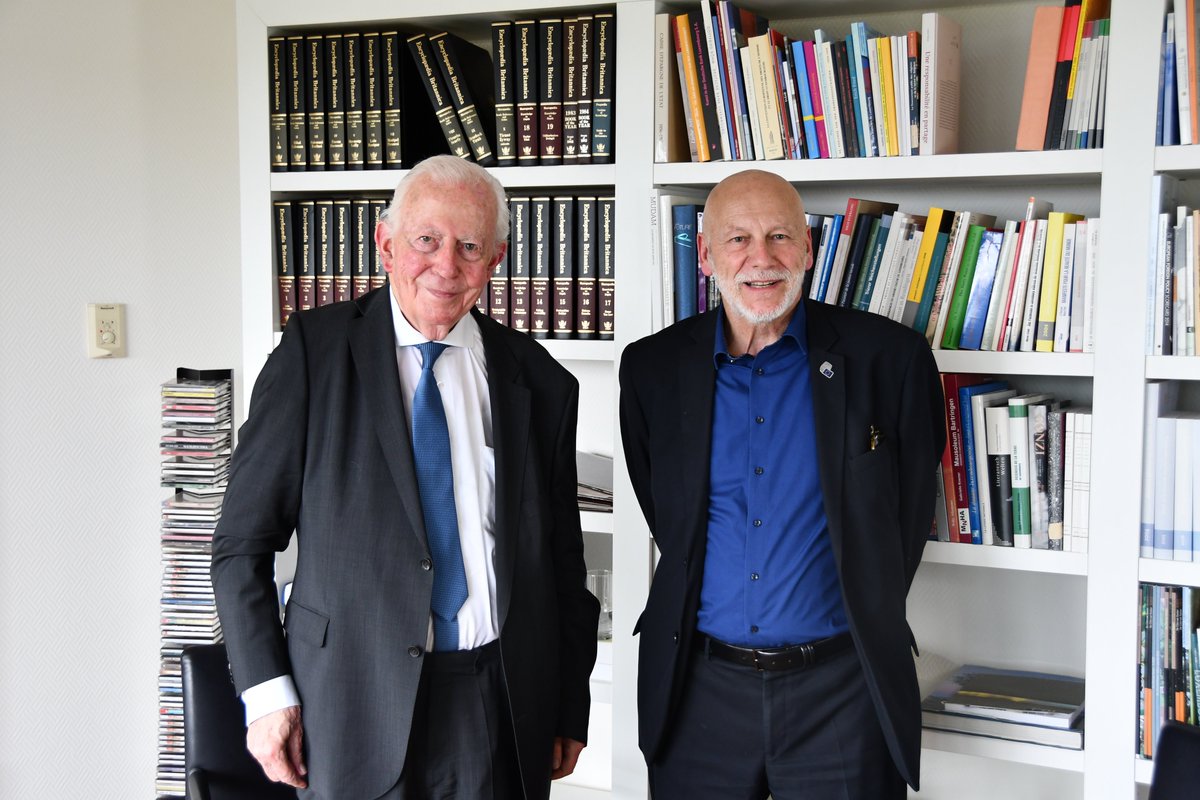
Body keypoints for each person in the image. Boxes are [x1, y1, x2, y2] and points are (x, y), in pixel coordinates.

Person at [212, 154, 599, 800]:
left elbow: (563, 564)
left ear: (496, 258)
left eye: (469, 246)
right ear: (385, 244)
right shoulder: (314, 355)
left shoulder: (541, 380)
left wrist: (567, 703)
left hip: (494, 706)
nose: (446, 267)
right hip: (346, 704)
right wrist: (265, 694)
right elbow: (240, 545)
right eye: (426, 241)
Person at [619, 169, 945, 799]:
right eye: (737, 240)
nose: (760, 259)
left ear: (809, 250)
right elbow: (670, 516)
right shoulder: (652, 368)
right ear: (708, 257)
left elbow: (905, 520)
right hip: (697, 691)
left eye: (779, 237)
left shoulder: (891, 360)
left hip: (843, 694)